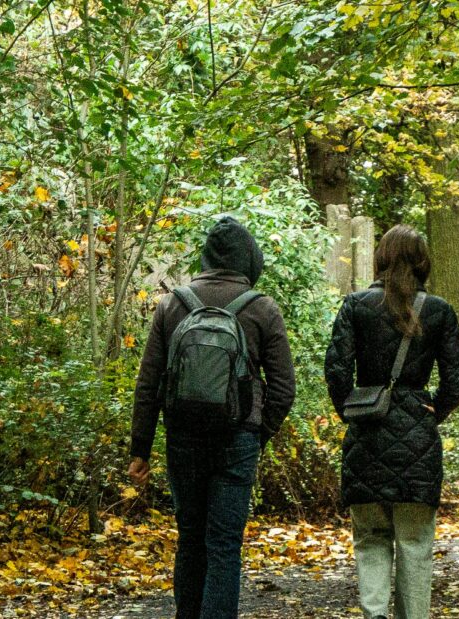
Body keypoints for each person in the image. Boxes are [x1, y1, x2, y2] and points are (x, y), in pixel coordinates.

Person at [127, 216, 296, 619]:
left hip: (183, 438)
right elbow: (284, 389)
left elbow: (148, 384)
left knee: (190, 540)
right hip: (237, 440)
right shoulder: (262, 309)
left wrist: (140, 450)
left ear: (206, 256)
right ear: (247, 259)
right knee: (224, 545)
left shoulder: (172, 304)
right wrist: (256, 432)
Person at [323, 224, 459, 619]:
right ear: (423, 260)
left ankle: (374, 615)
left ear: (382, 258)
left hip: (366, 437)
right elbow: (457, 379)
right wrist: (434, 410)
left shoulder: (355, 306)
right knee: (415, 543)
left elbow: (336, 371)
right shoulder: (439, 311)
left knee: (370, 539)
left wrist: (353, 410)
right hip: (418, 442)